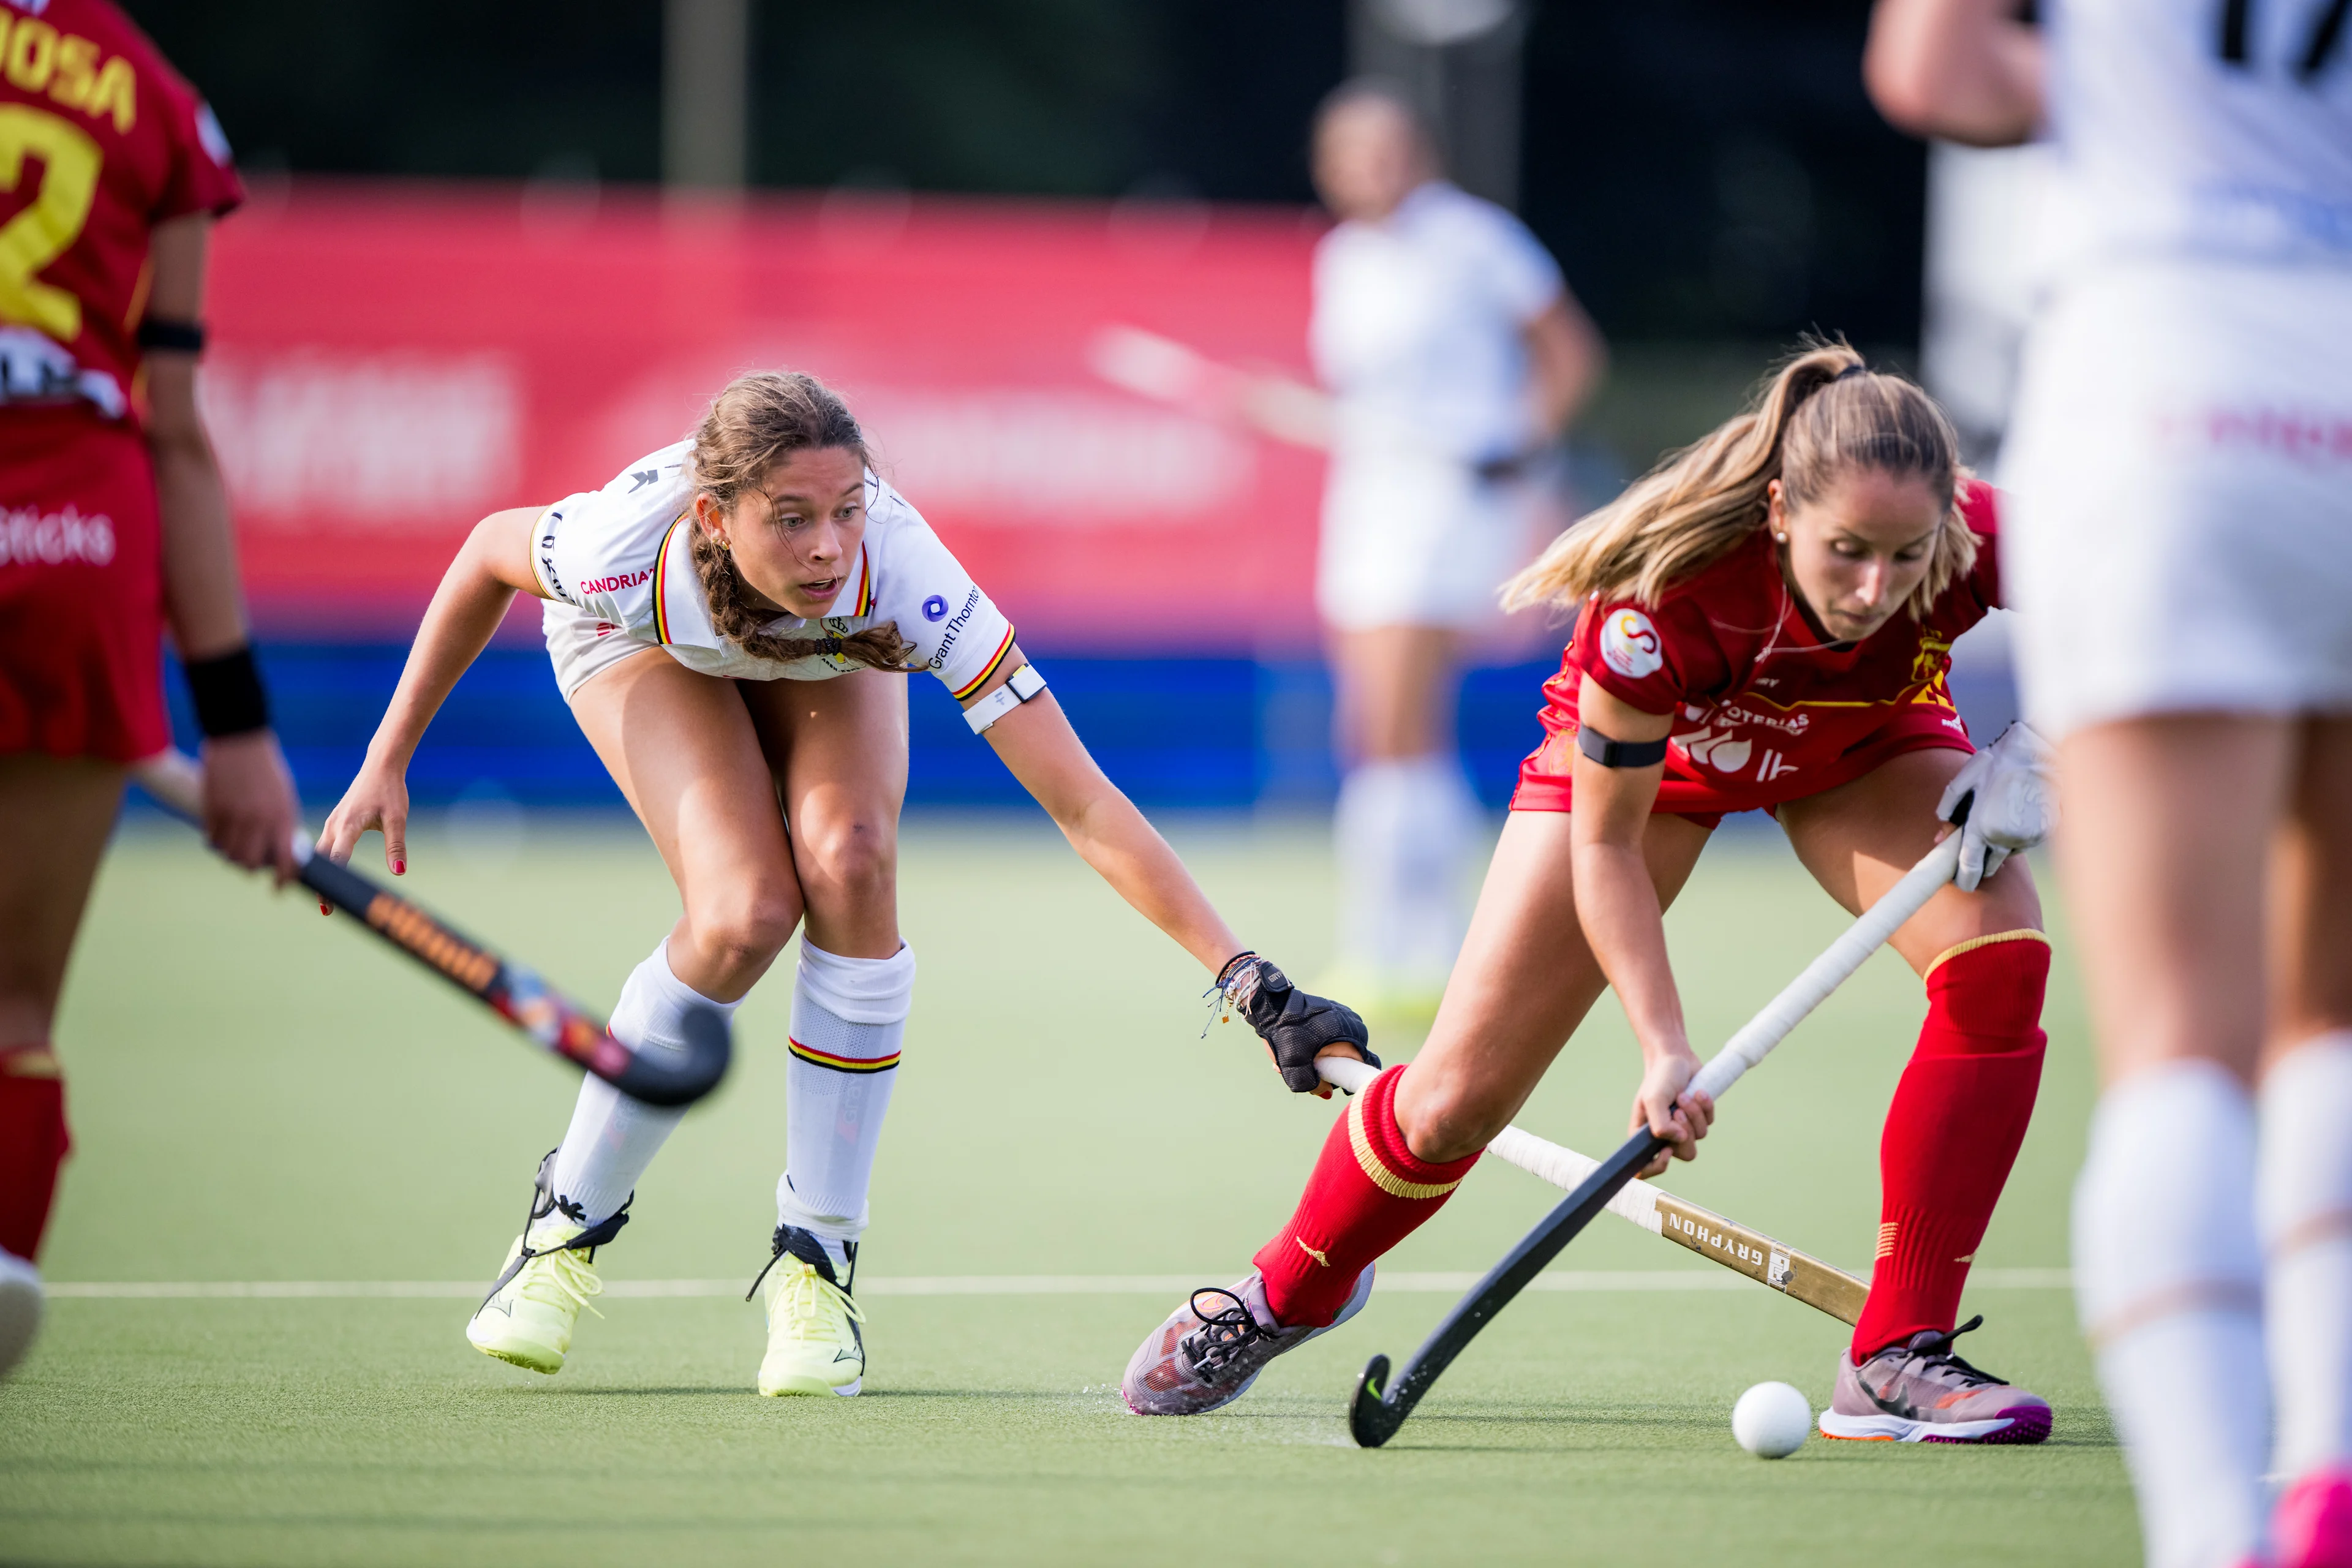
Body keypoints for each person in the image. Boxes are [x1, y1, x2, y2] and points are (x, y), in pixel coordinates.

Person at [320, 371, 1370, 1398]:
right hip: (639, 648)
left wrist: (1250, 981)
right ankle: (563, 1229)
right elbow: (482, 557)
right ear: (716, 517)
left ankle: (817, 1262)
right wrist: (388, 754)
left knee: (855, 859)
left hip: (829, 659)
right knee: (743, 917)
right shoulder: (616, 555)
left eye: (846, 511)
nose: (826, 545)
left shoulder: (902, 575)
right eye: (790, 518)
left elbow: (1084, 801)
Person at [1122, 344, 2059, 1445]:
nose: (1872, 590)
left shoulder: (1987, 531)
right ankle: (1291, 1290)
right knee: (1454, 1102)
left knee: (1999, 965)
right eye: (1845, 552)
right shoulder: (1658, 602)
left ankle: (1897, 1358)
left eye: (1905, 561)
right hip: (1657, 774)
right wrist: (1663, 1046)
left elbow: (2156, 619)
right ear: (1778, 512)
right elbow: (1607, 848)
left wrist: (2050, 747)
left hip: (1864, 746)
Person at [1868, 2, 2352, 1564]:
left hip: (2165, 361)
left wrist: (2119, 99)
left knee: (2180, 1052)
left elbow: (1935, 70)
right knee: (2332, 1014)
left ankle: (2218, 1529)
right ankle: (2330, 1469)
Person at [0, 0, 300, 1381]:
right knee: (13, 1013)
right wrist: (237, 733)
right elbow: (172, 426)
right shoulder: (153, 102)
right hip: (71, 543)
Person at [1306, 79, 1606, 1022]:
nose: (1371, 169)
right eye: (1350, 153)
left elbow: (1570, 354)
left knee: (1403, 718)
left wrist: (1520, 450)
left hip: (1451, 501)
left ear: (1420, 152)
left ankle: (1428, 950)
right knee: (1367, 727)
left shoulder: (1476, 240)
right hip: (1368, 495)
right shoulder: (1342, 257)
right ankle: (1386, 945)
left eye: (1386, 148)